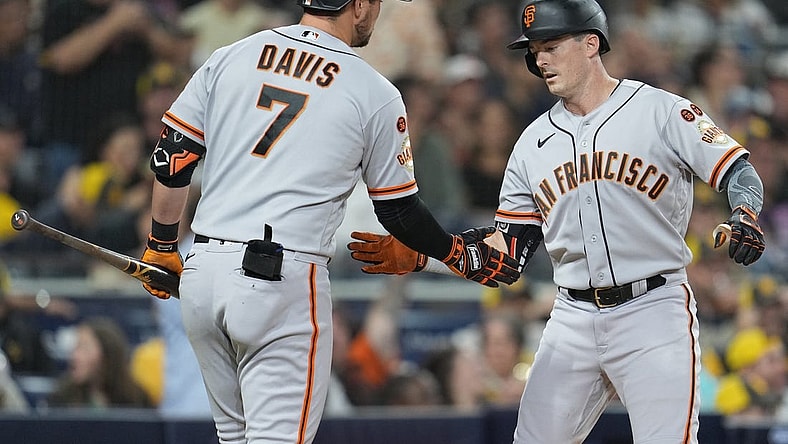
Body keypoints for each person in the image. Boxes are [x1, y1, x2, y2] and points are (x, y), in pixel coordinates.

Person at [346, 0, 769, 442]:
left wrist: (744, 212)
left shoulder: (660, 110)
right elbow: (505, 259)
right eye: (534, 50)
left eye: (550, 44)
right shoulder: (531, 143)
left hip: (653, 311)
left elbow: (738, 169)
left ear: (592, 43)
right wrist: (427, 255)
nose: (540, 59)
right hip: (572, 318)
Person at [136, 1, 520, 443]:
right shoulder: (372, 89)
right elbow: (399, 211)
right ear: (358, 6)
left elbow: (172, 157)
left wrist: (163, 244)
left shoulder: (233, 54)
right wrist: (456, 253)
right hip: (280, 279)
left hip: (202, 274)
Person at [48, 316, 152, 409]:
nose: (75, 356)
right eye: (75, 348)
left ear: (108, 355)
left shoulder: (137, 399)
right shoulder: (60, 398)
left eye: (84, 348)